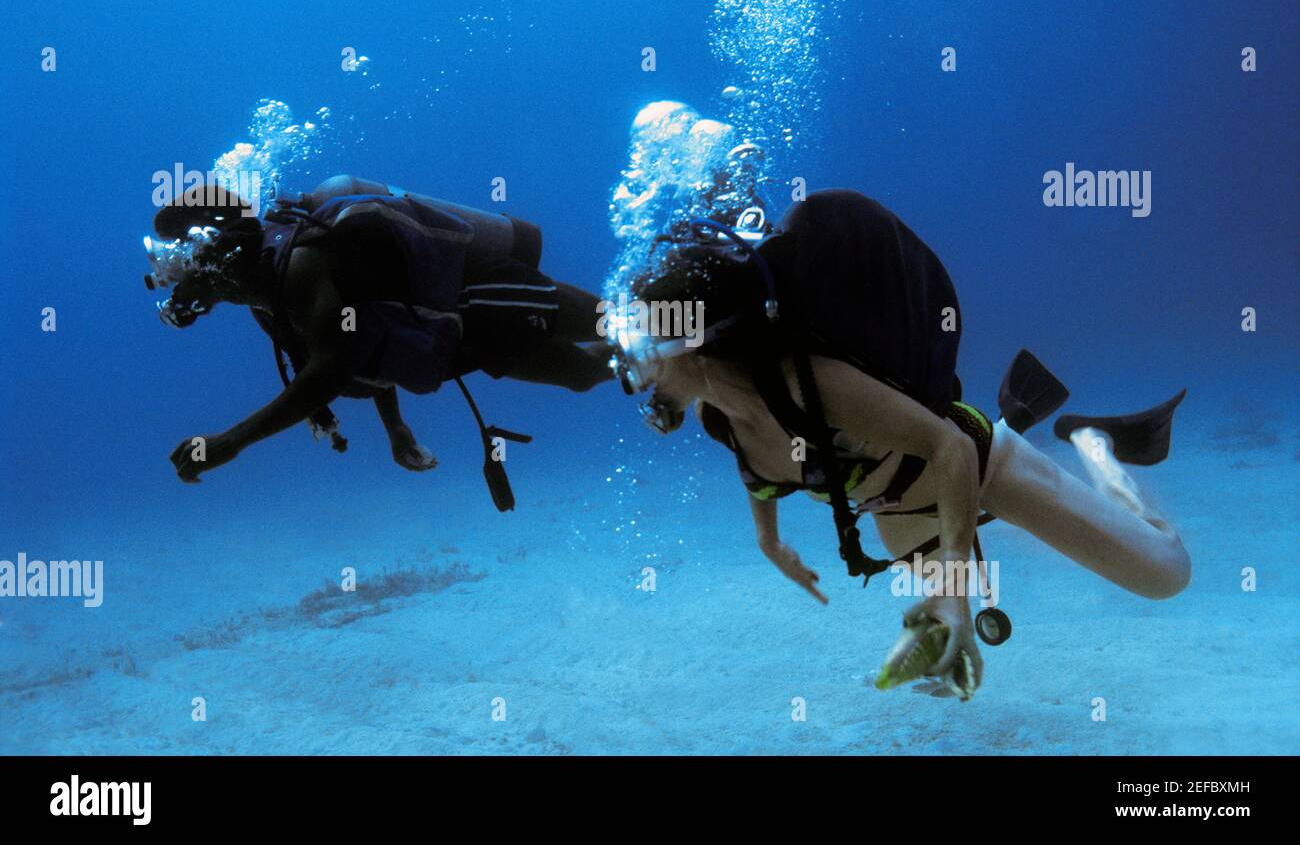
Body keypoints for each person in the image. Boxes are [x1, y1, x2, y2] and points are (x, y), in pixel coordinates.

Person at [609, 188, 1191, 699]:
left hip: (973, 464)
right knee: (941, 638)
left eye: (639, 353)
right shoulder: (720, 416)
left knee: (1166, 574)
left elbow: (950, 450)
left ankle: (1096, 445)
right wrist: (769, 542)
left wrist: (957, 590)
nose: (631, 374)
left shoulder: (805, 384)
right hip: (896, 512)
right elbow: (759, 475)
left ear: (690, 346)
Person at [145, 176, 610, 485]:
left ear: (212, 257)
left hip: (484, 294)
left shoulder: (302, 267)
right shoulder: (267, 303)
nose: (179, 288)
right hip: (461, 340)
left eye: (183, 271)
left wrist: (230, 441)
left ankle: (676, 317)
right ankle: (670, 348)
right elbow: (362, 336)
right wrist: (397, 429)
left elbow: (332, 368)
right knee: (586, 372)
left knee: (614, 323)